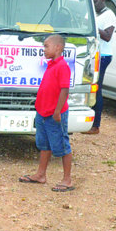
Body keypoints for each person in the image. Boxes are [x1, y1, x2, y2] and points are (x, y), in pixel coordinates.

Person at [18, 34, 74, 192]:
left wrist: (57, 111)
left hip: (54, 114)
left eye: (46, 46)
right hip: (43, 112)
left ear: (58, 47)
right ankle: (41, 174)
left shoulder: (62, 66)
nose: (44, 49)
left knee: (62, 145)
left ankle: (67, 179)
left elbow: (64, 90)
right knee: (44, 144)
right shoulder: (51, 65)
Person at [84, 0, 116, 135]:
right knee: (91, 86)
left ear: (103, 0)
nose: (94, 4)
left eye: (96, 1)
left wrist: (94, 27)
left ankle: (96, 125)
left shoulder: (109, 15)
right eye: (92, 1)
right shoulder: (94, 13)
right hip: (94, 54)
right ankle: (89, 121)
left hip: (104, 55)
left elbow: (107, 36)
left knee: (97, 88)